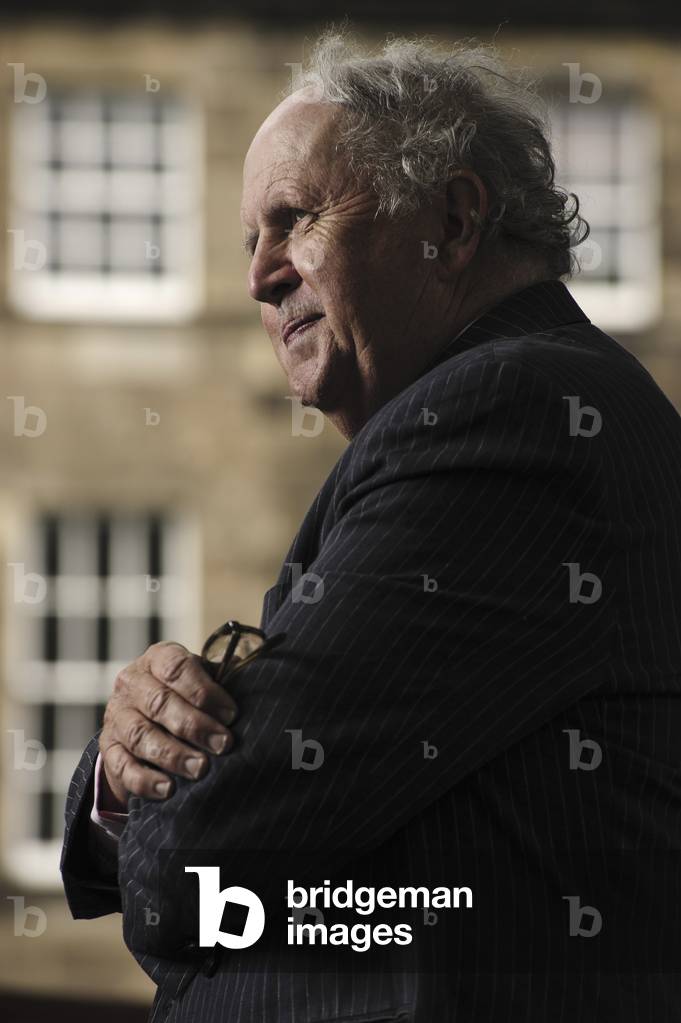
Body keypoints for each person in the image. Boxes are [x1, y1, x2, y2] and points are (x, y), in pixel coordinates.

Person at [61, 29, 681, 1022]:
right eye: (248, 243)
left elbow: (204, 862)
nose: (260, 278)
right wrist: (126, 759)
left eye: (295, 219)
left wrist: (172, 781)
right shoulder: (491, 414)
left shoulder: (513, 414)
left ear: (455, 218)